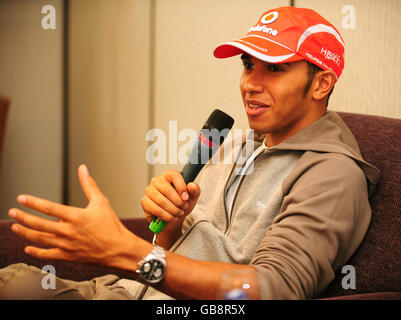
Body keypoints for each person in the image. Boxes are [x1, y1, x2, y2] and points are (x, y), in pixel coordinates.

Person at [0, 6, 379, 300]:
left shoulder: (332, 174)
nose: (250, 84)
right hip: (123, 290)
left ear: (321, 83)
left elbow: (271, 289)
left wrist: (129, 252)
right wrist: (168, 227)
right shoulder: (232, 145)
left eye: (275, 68)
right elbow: (173, 255)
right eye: (248, 65)